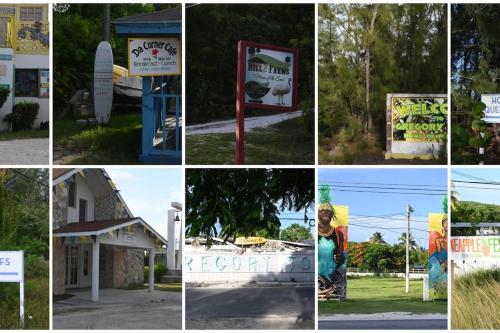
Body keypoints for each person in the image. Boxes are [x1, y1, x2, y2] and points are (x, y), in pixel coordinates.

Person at [318, 202, 346, 299]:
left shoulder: (338, 234)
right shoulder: (314, 231)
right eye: (322, 211)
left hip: (331, 274)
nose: (325, 213)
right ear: (317, 214)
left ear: (332, 215)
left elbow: (342, 257)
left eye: (329, 211)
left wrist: (340, 259)